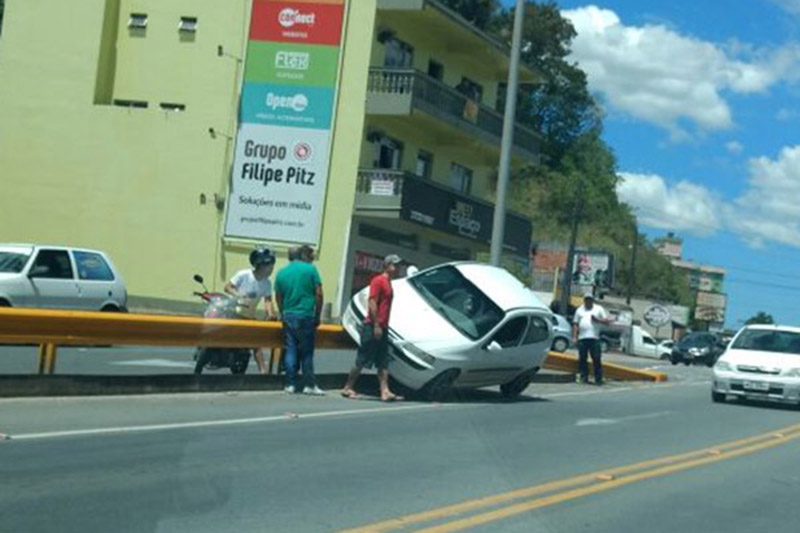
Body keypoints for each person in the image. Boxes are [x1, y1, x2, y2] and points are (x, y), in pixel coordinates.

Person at [341, 254, 403, 402]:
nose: (398, 268)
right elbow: (372, 302)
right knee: (362, 358)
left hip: (383, 326)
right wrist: (376, 324)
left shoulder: (389, 283)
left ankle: (385, 390)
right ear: (387, 265)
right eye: (395, 265)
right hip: (373, 326)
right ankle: (348, 387)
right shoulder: (378, 281)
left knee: (383, 360)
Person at [275, 245, 324, 395]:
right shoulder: (310, 270)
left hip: (289, 315)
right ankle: (309, 384)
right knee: (307, 352)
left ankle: (290, 384)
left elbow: (278, 296)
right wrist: (318, 314)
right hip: (306, 315)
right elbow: (319, 294)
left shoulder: (281, 273)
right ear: (302, 255)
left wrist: (283, 311)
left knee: (290, 349)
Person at [225, 246, 276, 375]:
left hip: (249, 316)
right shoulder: (243, 274)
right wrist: (237, 294)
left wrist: (271, 314)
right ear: (259, 265)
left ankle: (263, 372)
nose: (271, 269)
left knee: (256, 343)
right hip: (233, 312)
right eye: (269, 266)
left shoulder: (267, 283)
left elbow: (268, 301)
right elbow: (228, 287)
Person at [573, 291, 612, 385]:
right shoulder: (579, 310)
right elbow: (575, 324)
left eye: (590, 299)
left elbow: (607, 322)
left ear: (592, 300)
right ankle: (584, 377)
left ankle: (598, 379)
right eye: (586, 299)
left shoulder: (598, 309)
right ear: (584, 300)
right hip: (582, 338)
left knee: (596, 358)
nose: (588, 301)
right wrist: (574, 337)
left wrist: (597, 320)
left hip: (594, 338)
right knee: (582, 359)